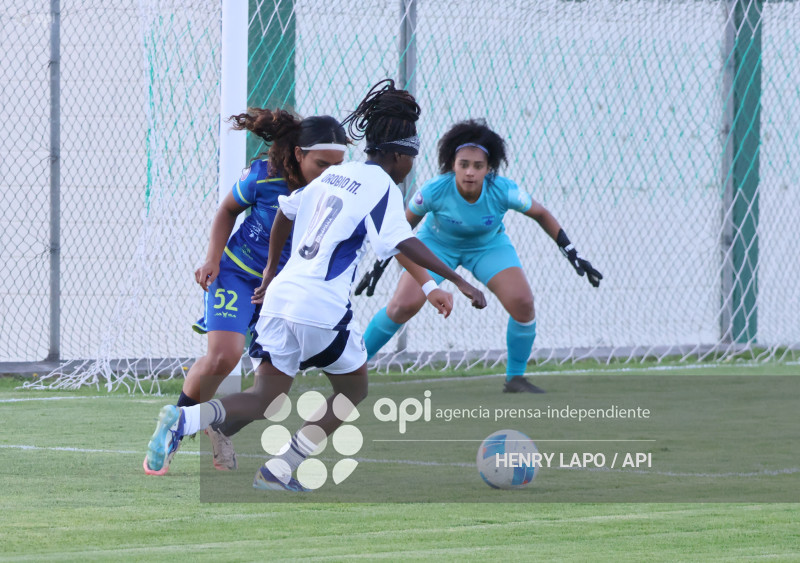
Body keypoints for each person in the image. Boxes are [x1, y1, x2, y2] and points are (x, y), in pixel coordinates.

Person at [143, 79, 487, 487]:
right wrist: (458, 281)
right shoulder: (381, 187)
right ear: (399, 156)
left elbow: (285, 213)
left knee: (265, 399)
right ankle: (280, 469)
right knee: (353, 390)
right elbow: (403, 241)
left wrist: (271, 272)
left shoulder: (331, 178)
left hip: (278, 302)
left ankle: (184, 418)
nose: (411, 168)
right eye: (412, 160)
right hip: (320, 309)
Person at [143, 109, 349, 476]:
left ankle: (215, 425)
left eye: (338, 164)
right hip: (239, 275)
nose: (330, 173)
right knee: (225, 356)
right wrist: (212, 259)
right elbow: (227, 210)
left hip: (284, 293)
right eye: (321, 164)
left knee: (270, 399)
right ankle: (173, 427)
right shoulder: (263, 177)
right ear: (299, 154)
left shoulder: (340, 189)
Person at [360, 119, 603, 393]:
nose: (470, 172)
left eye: (478, 166)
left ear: (489, 169)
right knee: (401, 306)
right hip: (436, 246)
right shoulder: (434, 190)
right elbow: (400, 229)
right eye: (463, 164)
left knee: (523, 303)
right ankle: (355, 366)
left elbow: (541, 213)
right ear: (453, 164)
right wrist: (378, 267)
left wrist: (571, 253)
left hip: (488, 246)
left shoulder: (503, 190)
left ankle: (515, 379)